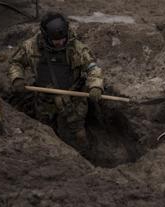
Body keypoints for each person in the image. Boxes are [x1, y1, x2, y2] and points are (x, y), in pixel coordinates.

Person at [7, 12, 104, 153]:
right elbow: (15, 63)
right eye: (55, 40)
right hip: (44, 101)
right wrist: (17, 78)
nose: (59, 42)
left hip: (73, 101)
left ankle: (84, 159)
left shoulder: (77, 49)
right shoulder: (30, 47)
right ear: (46, 36)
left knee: (78, 136)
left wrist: (95, 86)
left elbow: (93, 69)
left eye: (62, 39)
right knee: (45, 136)